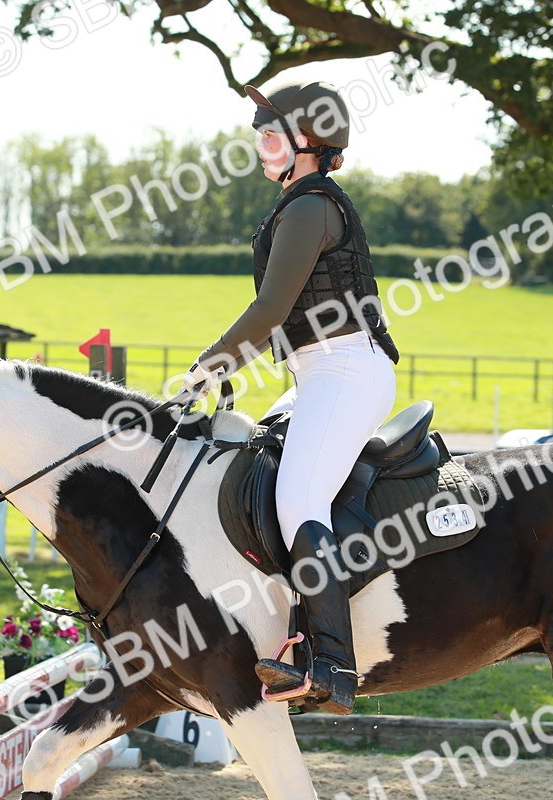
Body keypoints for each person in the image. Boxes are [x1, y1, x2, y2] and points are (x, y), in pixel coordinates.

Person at [181, 79, 400, 714]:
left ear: (309, 144)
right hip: (315, 373)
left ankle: (332, 664)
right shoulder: (298, 202)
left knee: (300, 496)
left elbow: (272, 307)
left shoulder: (309, 207)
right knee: (258, 469)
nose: (259, 145)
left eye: (270, 134)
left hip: (346, 372)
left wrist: (210, 362)